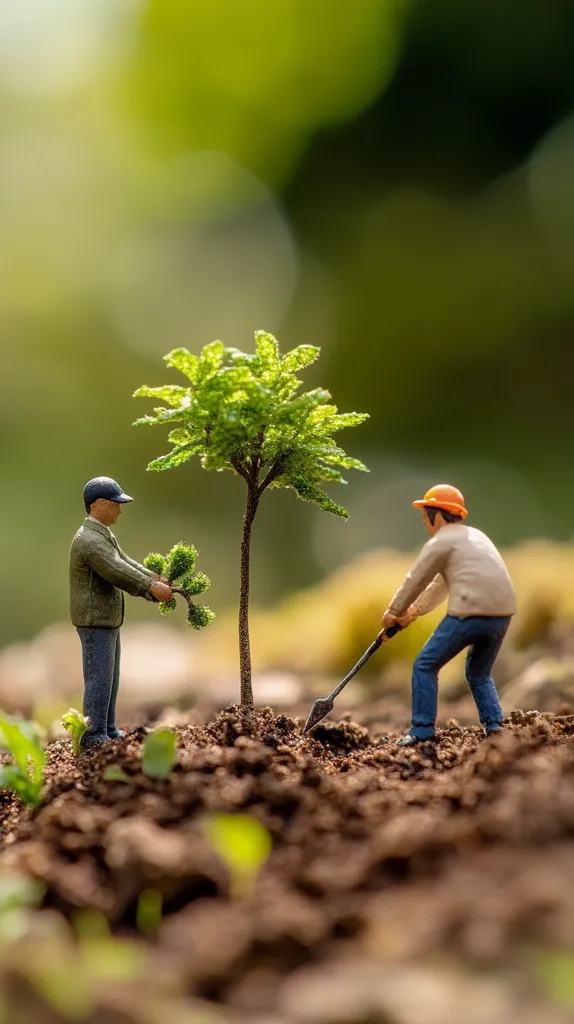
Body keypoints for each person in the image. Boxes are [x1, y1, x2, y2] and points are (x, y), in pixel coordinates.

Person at [382, 484, 516, 747]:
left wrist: (393, 612)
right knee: (479, 673)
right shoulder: (476, 537)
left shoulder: (442, 541)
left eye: (425, 516)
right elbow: (441, 585)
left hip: (470, 613)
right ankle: (495, 726)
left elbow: (416, 579)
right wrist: (412, 613)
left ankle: (422, 731)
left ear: (439, 515)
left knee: (425, 665)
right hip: (502, 615)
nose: (424, 523)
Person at [69, 477, 173, 749]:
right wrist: (151, 587)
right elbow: (116, 570)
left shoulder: (102, 534)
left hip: (107, 618)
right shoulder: (89, 541)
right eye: (115, 504)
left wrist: (153, 576)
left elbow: (125, 561)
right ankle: (92, 735)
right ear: (97, 505)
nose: (119, 510)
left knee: (110, 679)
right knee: (98, 679)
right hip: (95, 620)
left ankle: (108, 728)